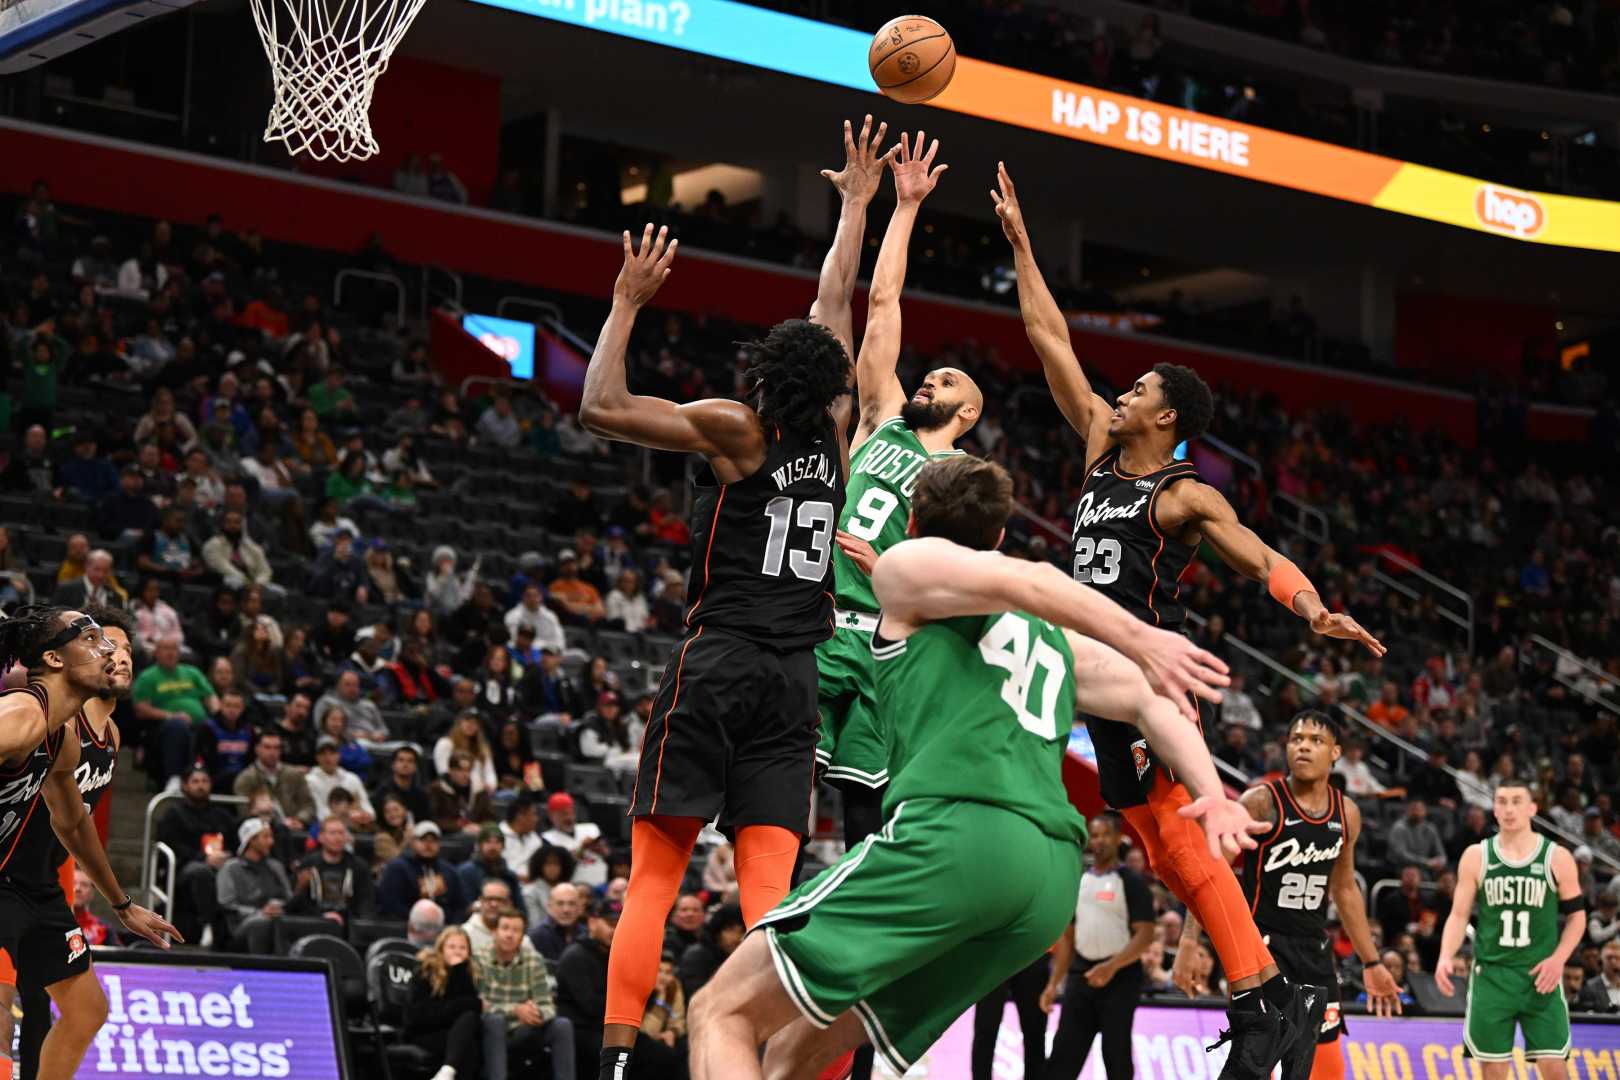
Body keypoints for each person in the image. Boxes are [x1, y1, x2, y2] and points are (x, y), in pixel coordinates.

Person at [688, 455, 1255, 1080]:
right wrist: (1215, 792)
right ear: (999, 533)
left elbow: (1034, 579)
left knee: (720, 1012)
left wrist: (1139, 634)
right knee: (795, 1052)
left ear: (910, 518)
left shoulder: (903, 566)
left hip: (961, 836)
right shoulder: (1047, 636)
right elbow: (1151, 699)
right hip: (1044, 882)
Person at [996, 162, 1383, 1076]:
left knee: (1174, 832)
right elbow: (1047, 337)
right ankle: (1258, 984)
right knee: (1156, 847)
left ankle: (1267, 997)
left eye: (1135, 389)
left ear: (1167, 416)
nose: (1118, 394)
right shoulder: (1098, 445)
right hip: (1080, 665)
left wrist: (1312, 606)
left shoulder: (1182, 495)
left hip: (1140, 677)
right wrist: (1019, 242)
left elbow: (1258, 553)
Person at [577, 130, 863, 1072]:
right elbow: (834, 307)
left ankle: (619, 1061)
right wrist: (857, 208)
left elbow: (602, 408)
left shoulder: (741, 430)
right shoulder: (837, 437)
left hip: (723, 661)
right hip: (795, 684)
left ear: (761, 379)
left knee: (654, 877)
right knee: (771, 895)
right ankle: (777, 1056)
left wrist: (624, 305)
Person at [813, 152, 977, 1065]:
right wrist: (904, 207)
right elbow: (881, 309)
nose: (933, 380)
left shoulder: (958, 486)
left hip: (876, 649)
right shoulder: (877, 420)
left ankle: (866, 1012)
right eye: (934, 373)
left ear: (969, 418)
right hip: (811, 629)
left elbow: (960, 591)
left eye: (951, 383)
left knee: (862, 832)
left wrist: (895, 572)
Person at [0, 606, 176, 1080]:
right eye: (96, 640)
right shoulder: (20, 714)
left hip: (36, 890)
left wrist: (122, 904)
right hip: (6, 881)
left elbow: (74, 824)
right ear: (57, 660)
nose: (112, 652)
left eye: (116, 643)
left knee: (86, 1009)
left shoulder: (63, 740)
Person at [1182, 710, 1402, 1080]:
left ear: (1336, 752)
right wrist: (1190, 938)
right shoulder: (1261, 801)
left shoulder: (1346, 812)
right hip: (1260, 951)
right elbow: (1213, 869)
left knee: (1326, 1070)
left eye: (1315, 740)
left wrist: (1372, 962)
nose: (1303, 746)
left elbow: (1345, 888)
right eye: (1296, 739)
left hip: (1314, 952)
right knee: (1257, 1064)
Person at [1436, 782, 1587, 1076]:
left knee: (1555, 1068)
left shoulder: (1557, 857)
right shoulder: (1476, 856)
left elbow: (1578, 918)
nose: (1508, 808)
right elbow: (1458, 915)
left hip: (1539, 975)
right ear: (1494, 809)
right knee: (1493, 1070)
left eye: (1517, 801)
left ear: (1532, 808)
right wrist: (1445, 955)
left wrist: (1558, 960)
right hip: (1492, 976)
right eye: (1502, 801)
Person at [1040, 811, 1158, 1080]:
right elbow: (1068, 938)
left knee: (1116, 1058)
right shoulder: (1079, 880)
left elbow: (1146, 935)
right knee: (1062, 1059)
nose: (1100, 840)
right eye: (1095, 835)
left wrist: (1111, 967)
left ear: (1118, 838)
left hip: (1120, 979)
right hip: (1080, 978)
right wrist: (1053, 983)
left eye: (1106, 834)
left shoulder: (1131, 881)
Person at [556, 898, 684, 1080]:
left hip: (614, 1029)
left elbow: (639, 1006)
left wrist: (651, 990)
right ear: (592, 923)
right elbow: (591, 1007)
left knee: (668, 1055)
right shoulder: (575, 957)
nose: (615, 930)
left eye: (619, 924)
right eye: (610, 924)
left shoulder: (619, 955)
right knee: (627, 1057)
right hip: (583, 1031)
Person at [477, 905, 576, 1080]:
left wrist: (536, 1013)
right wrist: (515, 1010)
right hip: (490, 1030)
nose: (509, 935)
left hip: (524, 1029)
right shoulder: (479, 957)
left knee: (562, 1025)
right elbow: (478, 1004)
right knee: (495, 1021)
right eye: (505, 928)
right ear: (494, 932)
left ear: (523, 936)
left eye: (516, 930)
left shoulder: (533, 959)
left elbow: (547, 1005)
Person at [156, 766, 238, 943]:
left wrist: (226, 856)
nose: (201, 786)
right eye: (195, 781)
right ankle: (209, 925)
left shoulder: (222, 815)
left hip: (221, 865)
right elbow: (171, 845)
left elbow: (235, 843)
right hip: (183, 869)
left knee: (235, 868)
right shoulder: (174, 814)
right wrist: (203, 858)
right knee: (200, 871)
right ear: (185, 786)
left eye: (205, 781)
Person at [405, 926, 484, 1080]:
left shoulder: (467, 972)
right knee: (467, 1046)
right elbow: (419, 1015)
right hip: (423, 1032)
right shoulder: (425, 970)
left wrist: (459, 970)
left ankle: (447, 1071)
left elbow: (475, 1006)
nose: (457, 951)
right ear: (441, 948)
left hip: (454, 1032)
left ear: (469, 952)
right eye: (452, 946)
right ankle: (447, 1071)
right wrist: (455, 1008)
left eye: (463, 947)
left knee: (468, 1027)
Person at [218, 817, 292, 953]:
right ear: (251, 840)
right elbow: (227, 905)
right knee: (262, 922)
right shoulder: (231, 868)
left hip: (277, 916)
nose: (271, 842)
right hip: (242, 923)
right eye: (266, 837)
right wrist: (259, 912)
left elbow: (289, 897)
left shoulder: (276, 866)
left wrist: (279, 906)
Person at [288, 815, 375, 928]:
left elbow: (366, 903)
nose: (338, 838)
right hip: (313, 924)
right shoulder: (307, 864)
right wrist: (300, 887)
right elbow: (294, 906)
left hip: (348, 926)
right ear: (321, 837)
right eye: (333, 833)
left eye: (341, 833)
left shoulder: (359, 866)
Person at [379, 821, 469, 923]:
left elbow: (460, 905)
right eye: (423, 840)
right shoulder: (397, 868)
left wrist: (451, 925)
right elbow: (391, 904)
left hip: (444, 928)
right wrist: (421, 921)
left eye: (433, 840)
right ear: (412, 842)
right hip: (407, 926)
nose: (428, 844)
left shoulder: (449, 871)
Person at [233, 730, 316, 829]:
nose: (272, 752)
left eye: (276, 748)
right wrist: (268, 820)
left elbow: (309, 805)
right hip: (261, 830)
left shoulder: (294, 774)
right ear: (257, 749)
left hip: (295, 830)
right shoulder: (246, 778)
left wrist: (299, 820)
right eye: (267, 747)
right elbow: (243, 812)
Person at [305, 734, 377, 824]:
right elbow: (320, 812)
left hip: (356, 825)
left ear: (339, 755)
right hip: (327, 827)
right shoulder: (310, 780)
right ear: (317, 757)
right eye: (323, 754)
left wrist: (366, 816)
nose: (328, 758)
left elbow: (367, 807)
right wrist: (346, 817)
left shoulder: (352, 778)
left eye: (332, 753)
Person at [541, 792, 608, 888]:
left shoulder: (591, 828)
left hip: (603, 886)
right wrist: (582, 848)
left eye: (571, 812)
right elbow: (558, 869)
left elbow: (609, 855)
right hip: (573, 889)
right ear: (551, 816)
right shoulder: (547, 839)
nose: (569, 818)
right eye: (563, 814)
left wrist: (602, 849)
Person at [460, 824, 523, 903]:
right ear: (480, 845)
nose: (493, 847)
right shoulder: (466, 872)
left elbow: (521, 909)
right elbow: (464, 907)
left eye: (497, 842)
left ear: (503, 846)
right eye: (488, 842)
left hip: (506, 913)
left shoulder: (509, 876)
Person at [530, 882, 587, 965]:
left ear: (580, 908)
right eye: (560, 903)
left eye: (571, 903)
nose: (566, 910)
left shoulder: (587, 935)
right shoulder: (536, 936)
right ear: (549, 906)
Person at [1387, 799, 1448, 877]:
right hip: (1402, 867)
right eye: (1413, 809)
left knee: (1447, 876)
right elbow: (1401, 855)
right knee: (1414, 874)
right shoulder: (1399, 827)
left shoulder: (1430, 828)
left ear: (1425, 811)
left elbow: (1441, 853)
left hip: (1426, 868)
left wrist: (1441, 861)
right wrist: (1426, 862)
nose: (1416, 812)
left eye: (1419, 809)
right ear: (1407, 810)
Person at [1577, 939, 1620, 1012]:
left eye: (1617, 958)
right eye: (1609, 958)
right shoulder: (1589, 987)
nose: (1613, 961)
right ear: (1601, 959)